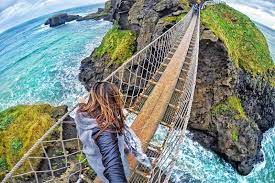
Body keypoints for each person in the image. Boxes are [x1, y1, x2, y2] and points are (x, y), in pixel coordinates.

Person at [75, 81, 151, 183]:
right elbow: (113, 166)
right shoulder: (105, 132)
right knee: (122, 172)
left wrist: (82, 103)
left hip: (95, 159)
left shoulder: (82, 114)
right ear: (112, 102)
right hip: (107, 165)